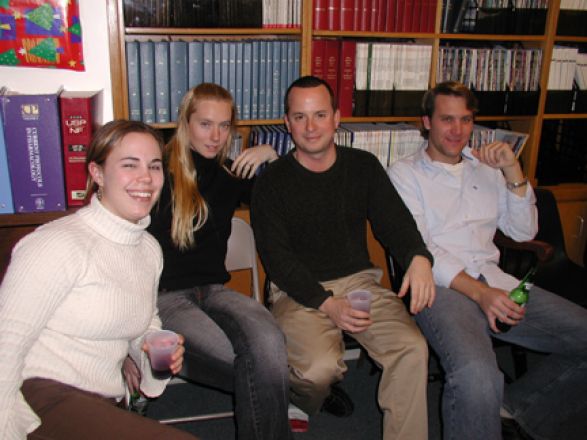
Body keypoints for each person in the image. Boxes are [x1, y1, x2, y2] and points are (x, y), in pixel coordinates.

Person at [389, 81, 587, 440]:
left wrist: (513, 170)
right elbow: (422, 248)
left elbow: (523, 231)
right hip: (441, 289)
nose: (458, 130)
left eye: (465, 120)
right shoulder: (404, 174)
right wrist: (480, 294)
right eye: (447, 119)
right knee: (477, 376)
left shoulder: (487, 170)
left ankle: (517, 410)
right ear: (426, 122)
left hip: (497, 281)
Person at [250, 75, 435, 440]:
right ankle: (301, 397)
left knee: (411, 349)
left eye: (320, 114)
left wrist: (418, 256)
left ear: (337, 117)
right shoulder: (271, 182)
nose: (310, 126)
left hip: (359, 283)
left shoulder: (363, 166)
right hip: (297, 289)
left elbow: (394, 220)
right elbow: (277, 259)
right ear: (287, 123)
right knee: (319, 370)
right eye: (299, 117)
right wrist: (326, 304)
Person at [0, 120, 196, 439]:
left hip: (104, 400)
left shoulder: (147, 249)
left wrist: (151, 346)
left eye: (155, 166)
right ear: (97, 174)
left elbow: (145, 322)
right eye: (129, 165)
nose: (146, 178)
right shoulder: (56, 244)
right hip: (39, 396)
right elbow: (4, 343)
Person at [147, 83, 292, 440]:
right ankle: (292, 400)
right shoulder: (159, 171)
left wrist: (274, 158)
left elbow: (287, 204)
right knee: (254, 364)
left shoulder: (230, 173)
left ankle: (291, 393)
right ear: (186, 122)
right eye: (205, 124)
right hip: (166, 298)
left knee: (270, 343)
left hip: (213, 290)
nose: (215, 136)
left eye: (224, 126)